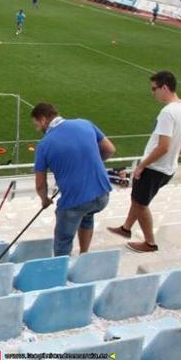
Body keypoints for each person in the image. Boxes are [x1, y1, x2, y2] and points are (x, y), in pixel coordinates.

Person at [108, 71, 181, 253]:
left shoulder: (168, 112)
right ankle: (126, 228)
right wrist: (175, 158)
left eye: (154, 89)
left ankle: (149, 243)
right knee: (137, 197)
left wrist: (142, 165)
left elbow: (163, 146)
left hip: (154, 168)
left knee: (141, 204)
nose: (153, 93)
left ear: (165, 87)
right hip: (167, 168)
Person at [31, 103, 115, 256]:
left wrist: (45, 199)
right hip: (102, 195)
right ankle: (84, 255)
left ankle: (60, 273)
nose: (38, 129)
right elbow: (110, 150)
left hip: (75, 202)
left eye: (37, 125)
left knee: (63, 240)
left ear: (43, 120)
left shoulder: (44, 145)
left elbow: (40, 184)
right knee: (87, 216)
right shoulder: (85, 123)